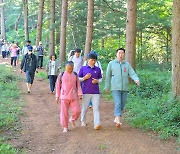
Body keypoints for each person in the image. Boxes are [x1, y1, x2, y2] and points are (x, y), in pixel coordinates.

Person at [105, 48, 140, 127]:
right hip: (115, 87)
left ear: (124, 54)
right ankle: (118, 118)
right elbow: (108, 76)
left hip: (124, 87)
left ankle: (117, 117)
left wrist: (136, 79)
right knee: (118, 102)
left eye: (122, 53)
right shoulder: (111, 64)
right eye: (119, 53)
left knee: (122, 104)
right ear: (116, 54)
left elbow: (132, 73)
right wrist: (107, 87)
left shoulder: (126, 64)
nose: (120, 55)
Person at [56, 61, 82, 133]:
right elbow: (58, 86)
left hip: (74, 96)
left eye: (71, 69)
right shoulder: (61, 75)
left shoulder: (75, 75)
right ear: (65, 67)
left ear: (73, 68)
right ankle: (65, 127)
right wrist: (57, 96)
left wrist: (80, 94)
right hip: (64, 97)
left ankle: (72, 119)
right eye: (68, 68)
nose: (69, 70)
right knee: (64, 113)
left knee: (77, 111)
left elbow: (78, 85)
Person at [78, 52, 102, 130]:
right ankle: (83, 121)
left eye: (95, 60)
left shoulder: (98, 69)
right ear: (88, 60)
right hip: (86, 91)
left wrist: (97, 81)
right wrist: (85, 78)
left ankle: (97, 123)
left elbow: (101, 79)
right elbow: (78, 79)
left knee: (96, 108)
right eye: (92, 60)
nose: (93, 62)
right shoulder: (83, 68)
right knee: (85, 108)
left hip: (96, 92)